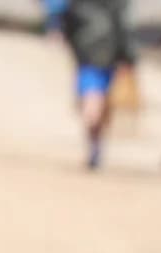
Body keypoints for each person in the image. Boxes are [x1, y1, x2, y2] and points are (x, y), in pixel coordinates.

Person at [61, 0, 136, 169]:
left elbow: (68, 16)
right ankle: (95, 142)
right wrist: (128, 56)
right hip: (110, 52)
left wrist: (68, 37)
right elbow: (124, 24)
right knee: (100, 99)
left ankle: (93, 140)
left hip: (87, 50)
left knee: (92, 96)